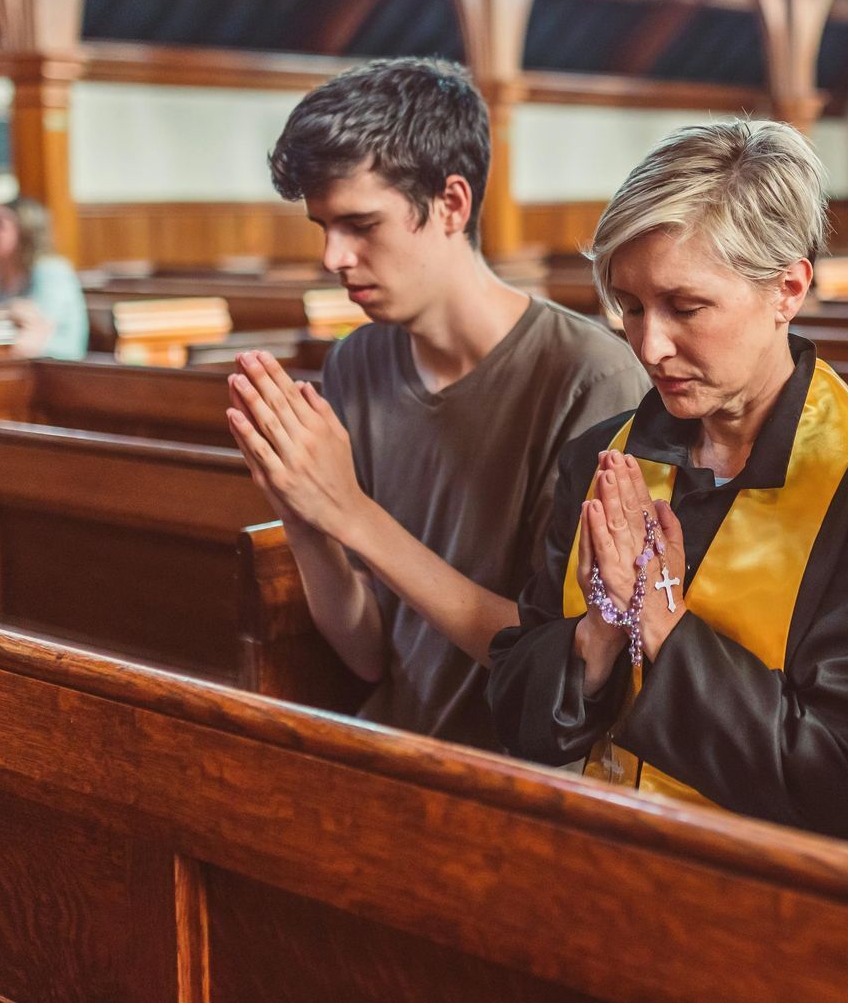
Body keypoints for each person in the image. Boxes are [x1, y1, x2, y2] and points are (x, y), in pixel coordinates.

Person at [486, 120, 848, 846]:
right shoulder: (601, 461)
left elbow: (846, 788)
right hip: (586, 857)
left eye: (685, 306)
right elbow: (514, 714)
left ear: (787, 288)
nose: (649, 345)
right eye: (630, 306)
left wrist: (661, 624)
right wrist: (601, 632)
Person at [223, 57, 647, 751]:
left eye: (360, 224)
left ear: (452, 204)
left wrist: (349, 511)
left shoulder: (589, 376)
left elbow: (564, 665)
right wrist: (303, 517)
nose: (332, 255)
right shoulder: (357, 362)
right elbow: (367, 654)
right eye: (322, 225)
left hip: (524, 773)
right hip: (392, 748)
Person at [0, 196, 88, 360]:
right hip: (3, 361)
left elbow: (37, 332)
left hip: (55, 366)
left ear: (26, 232)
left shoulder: (51, 270)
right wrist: (8, 311)